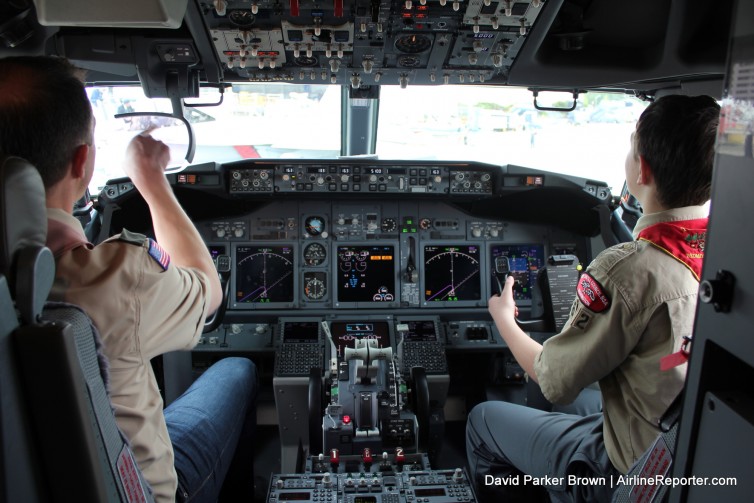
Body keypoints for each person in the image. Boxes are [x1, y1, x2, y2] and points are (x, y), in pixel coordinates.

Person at [0, 55, 258, 503]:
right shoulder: (111, 277)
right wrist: (151, 178)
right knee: (237, 368)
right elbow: (206, 290)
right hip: (134, 488)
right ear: (82, 162)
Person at [466, 95, 720, 502]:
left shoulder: (628, 270)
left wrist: (505, 320)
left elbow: (552, 381)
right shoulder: (731, 255)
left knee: (482, 420)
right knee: (581, 405)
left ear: (642, 168)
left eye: (631, 145)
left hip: (634, 474)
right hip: (694, 453)